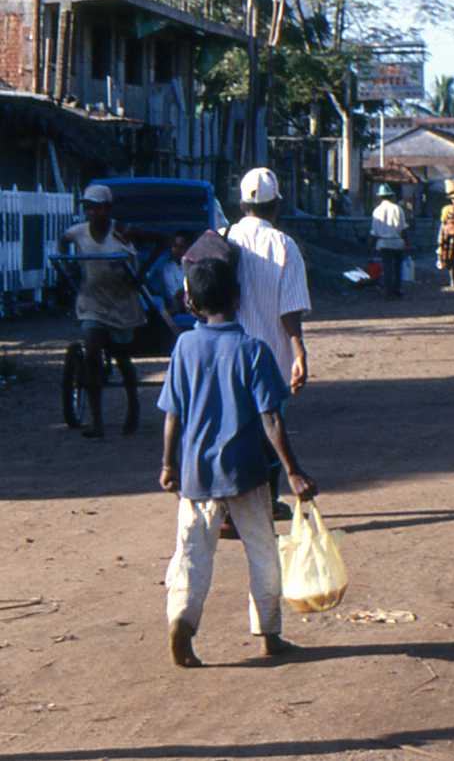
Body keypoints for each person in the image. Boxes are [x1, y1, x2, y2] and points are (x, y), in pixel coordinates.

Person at [159, 256, 315, 668]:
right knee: (263, 552)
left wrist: (168, 464)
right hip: (246, 472)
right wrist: (294, 470)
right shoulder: (252, 351)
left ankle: (182, 622)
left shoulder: (184, 347)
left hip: (195, 475)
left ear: (190, 302)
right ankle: (268, 633)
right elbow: (271, 417)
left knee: (191, 555)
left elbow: (172, 413)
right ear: (239, 297)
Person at [227, 168, 311, 515]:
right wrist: (299, 352)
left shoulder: (221, 237)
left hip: (227, 352)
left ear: (243, 204)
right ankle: (267, 500)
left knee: (232, 429)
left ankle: (231, 506)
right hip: (271, 356)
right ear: (276, 205)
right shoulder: (284, 244)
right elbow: (290, 310)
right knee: (270, 427)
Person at [57, 184, 150, 438]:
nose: (92, 213)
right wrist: (68, 268)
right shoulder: (78, 233)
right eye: (88, 208)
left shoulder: (122, 232)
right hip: (92, 304)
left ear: (107, 209)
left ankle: (133, 405)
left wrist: (139, 276)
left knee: (122, 359)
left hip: (121, 304)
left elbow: (159, 241)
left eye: (97, 208)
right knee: (91, 354)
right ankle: (97, 421)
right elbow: (63, 241)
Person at [369, 184, 409, 300]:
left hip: (383, 243)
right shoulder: (398, 209)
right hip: (397, 242)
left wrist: (370, 246)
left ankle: (388, 292)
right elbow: (403, 228)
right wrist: (407, 243)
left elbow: (374, 232)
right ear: (391, 196)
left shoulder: (376, 211)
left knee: (387, 268)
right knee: (397, 268)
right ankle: (397, 290)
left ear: (380, 197)